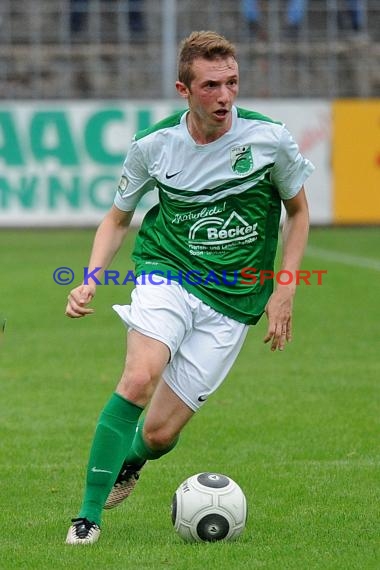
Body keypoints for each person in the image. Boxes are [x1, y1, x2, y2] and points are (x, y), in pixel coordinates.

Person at [65, 30, 314, 545]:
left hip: (235, 299)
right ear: (184, 90)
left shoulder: (270, 139)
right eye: (210, 86)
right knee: (137, 379)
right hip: (168, 272)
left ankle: (133, 459)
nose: (224, 96)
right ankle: (87, 519)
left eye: (232, 83)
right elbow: (117, 220)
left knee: (158, 434)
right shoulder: (153, 146)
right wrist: (90, 277)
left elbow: (298, 212)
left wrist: (285, 287)